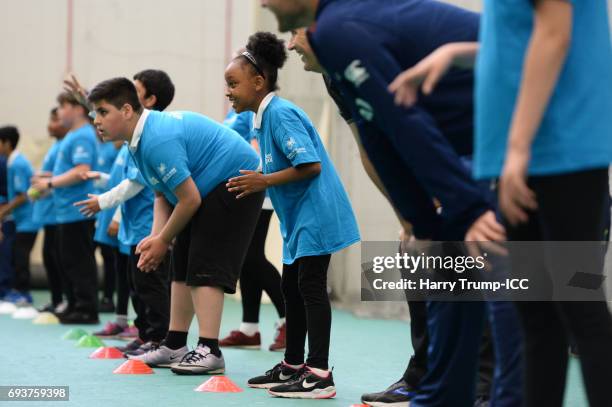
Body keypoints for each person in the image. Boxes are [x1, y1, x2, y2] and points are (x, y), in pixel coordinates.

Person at [260, 2, 523, 407]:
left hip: (512, 129)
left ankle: (484, 389)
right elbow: (375, 142)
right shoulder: (333, 63)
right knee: (428, 255)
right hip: (464, 145)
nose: (290, 43)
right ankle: (432, 383)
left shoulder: (339, 29)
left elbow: (406, 122)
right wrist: (414, 220)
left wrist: (462, 208)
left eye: (295, 36)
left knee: (480, 264)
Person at [389, 1, 612, 406]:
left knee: (578, 304)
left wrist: (518, 145)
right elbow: (520, 43)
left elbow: (555, 34)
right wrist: (455, 53)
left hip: (561, 151)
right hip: (527, 156)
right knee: (536, 314)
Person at [88, 77, 264, 374]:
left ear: (128, 110)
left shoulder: (157, 139)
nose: (97, 121)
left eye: (103, 112)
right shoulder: (138, 142)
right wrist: (158, 237)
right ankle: (174, 344)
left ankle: (210, 349)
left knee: (204, 264)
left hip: (235, 181)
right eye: (95, 114)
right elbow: (161, 193)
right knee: (180, 263)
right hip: (205, 188)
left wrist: (162, 239)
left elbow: (189, 199)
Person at [225, 31, 360, 399]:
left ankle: (319, 374)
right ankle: (293, 364)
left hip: (316, 214)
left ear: (258, 81)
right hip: (297, 220)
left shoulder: (280, 115)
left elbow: (311, 165)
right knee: (291, 287)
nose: (228, 91)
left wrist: (261, 181)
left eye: (233, 83)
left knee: (310, 288)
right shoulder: (262, 119)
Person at [219, 107, 287, 352]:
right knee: (247, 260)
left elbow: (257, 151)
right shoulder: (234, 111)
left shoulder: (257, 111)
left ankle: (289, 320)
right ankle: (249, 329)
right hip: (243, 190)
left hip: (258, 189)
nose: (230, 87)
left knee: (252, 256)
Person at [32, 92, 99, 324]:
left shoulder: (82, 135)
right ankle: (73, 304)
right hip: (64, 210)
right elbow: (67, 170)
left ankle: (86, 308)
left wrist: (50, 182)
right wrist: (46, 177)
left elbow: (82, 170)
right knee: (66, 260)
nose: (59, 112)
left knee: (79, 261)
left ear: (78, 109)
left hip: (76, 210)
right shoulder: (72, 135)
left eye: (63, 106)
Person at [31, 108, 69, 313]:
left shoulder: (66, 145)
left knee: (57, 258)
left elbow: (61, 176)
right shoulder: (56, 146)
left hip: (57, 213)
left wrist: (45, 180)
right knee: (49, 257)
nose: (50, 124)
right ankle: (56, 300)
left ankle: (63, 300)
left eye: (55, 120)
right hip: (48, 213)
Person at [0, 126, 40, 306]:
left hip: (28, 220)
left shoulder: (17, 164)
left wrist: (3, 212)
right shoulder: (11, 162)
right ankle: (19, 292)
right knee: (17, 255)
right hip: (22, 220)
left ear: (7, 143)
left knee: (20, 257)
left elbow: (23, 195)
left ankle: (24, 294)